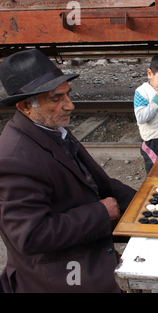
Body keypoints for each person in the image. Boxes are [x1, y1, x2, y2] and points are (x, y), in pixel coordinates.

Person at [0, 49, 136, 293]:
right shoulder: (14, 159)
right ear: (25, 106)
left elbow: (96, 182)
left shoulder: (49, 127)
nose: (69, 105)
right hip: (58, 277)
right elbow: (30, 235)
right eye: (56, 99)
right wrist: (99, 214)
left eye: (67, 95)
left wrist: (146, 203)